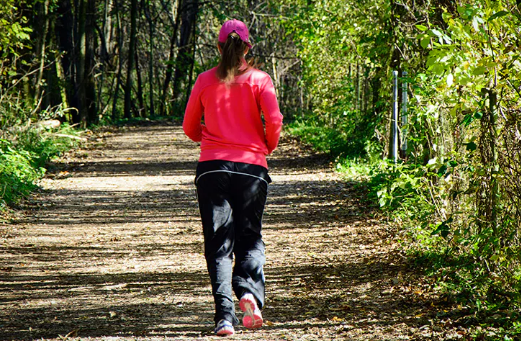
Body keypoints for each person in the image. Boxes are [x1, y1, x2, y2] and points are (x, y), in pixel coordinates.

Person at [182, 19, 283, 336]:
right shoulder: (260, 79)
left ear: (219, 46)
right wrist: (266, 146)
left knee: (219, 246)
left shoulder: (204, 81)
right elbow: (275, 120)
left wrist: (209, 139)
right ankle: (249, 293)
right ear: (247, 47)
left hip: (213, 169)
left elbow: (189, 128)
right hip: (252, 168)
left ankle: (224, 318)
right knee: (249, 236)